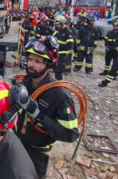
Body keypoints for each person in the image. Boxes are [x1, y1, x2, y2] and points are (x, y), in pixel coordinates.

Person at [16, 37, 79, 178]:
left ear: (49, 65)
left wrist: (39, 115)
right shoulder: (27, 81)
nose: (31, 65)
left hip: (37, 152)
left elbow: (71, 134)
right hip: (18, 141)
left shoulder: (60, 96)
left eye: (37, 61)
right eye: (30, 59)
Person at [52, 16, 74, 80]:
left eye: (58, 24)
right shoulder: (58, 31)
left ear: (62, 23)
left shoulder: (68, 32)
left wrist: (58, 45)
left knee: (59, 72)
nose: (57, 26)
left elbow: (70, 46)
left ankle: (59, 86)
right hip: (56, 54)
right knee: (55, 70)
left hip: (63, 55)